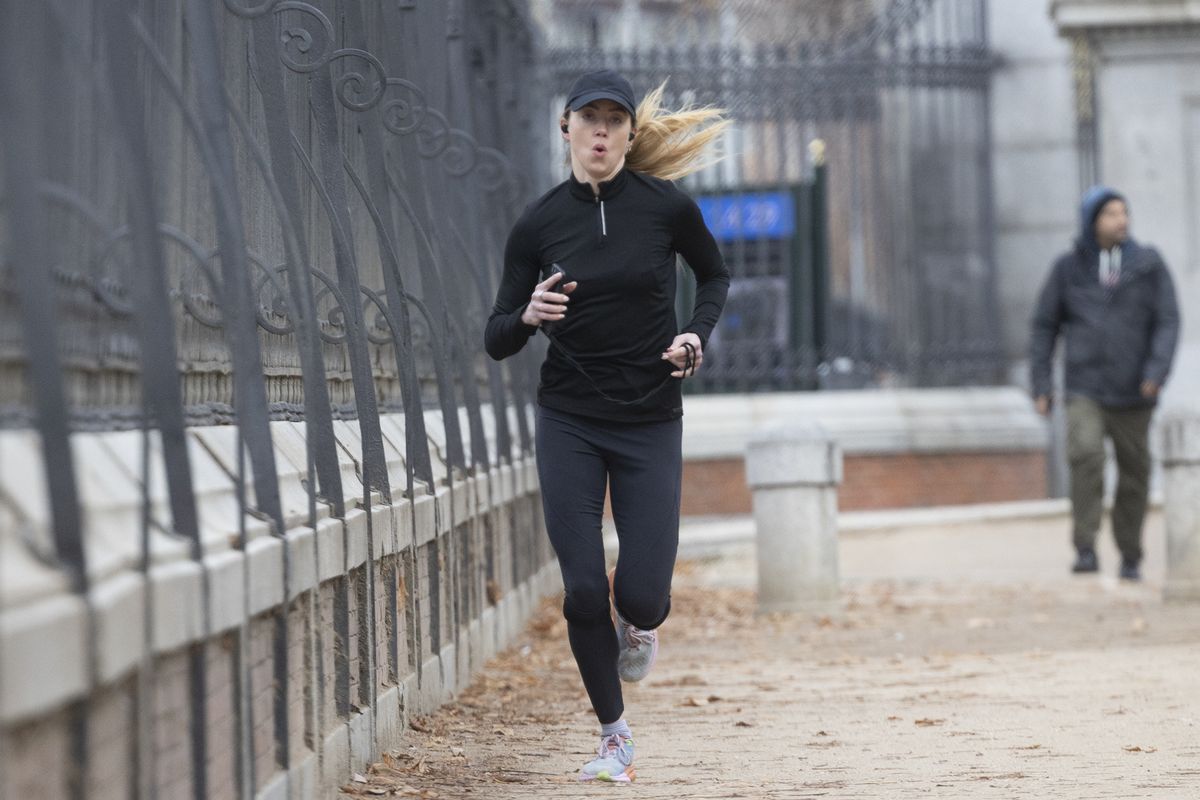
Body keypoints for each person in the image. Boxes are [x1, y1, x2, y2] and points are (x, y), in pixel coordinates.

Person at [484, 68, 730, 782]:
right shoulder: (538, 223)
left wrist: (694, 336)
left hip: (651, 416)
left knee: (642, 596)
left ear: (628, 133)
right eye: (588, 119)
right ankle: (614, 737)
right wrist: (527, 315)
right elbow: (496, 334)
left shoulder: (665, 208)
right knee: (584, 589)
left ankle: (640, 620)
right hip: (570, 420)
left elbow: (714, 277)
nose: (600, 131)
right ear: (565, 128)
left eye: (614, 120)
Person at [1030, 186, 1179, 581]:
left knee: (1135, 472)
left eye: (1124, 212)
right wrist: (1041, 384)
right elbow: (1045, 326)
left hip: (1135, 391)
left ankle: (1130, 553)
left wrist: (1156, 372)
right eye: (1111, 213)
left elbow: (1168, 320)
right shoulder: (1068, 269)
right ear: (1092, 221)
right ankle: (1085, 546)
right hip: (1085, 386)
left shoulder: (1148, 265)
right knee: (1085, 456)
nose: (1121, 220)